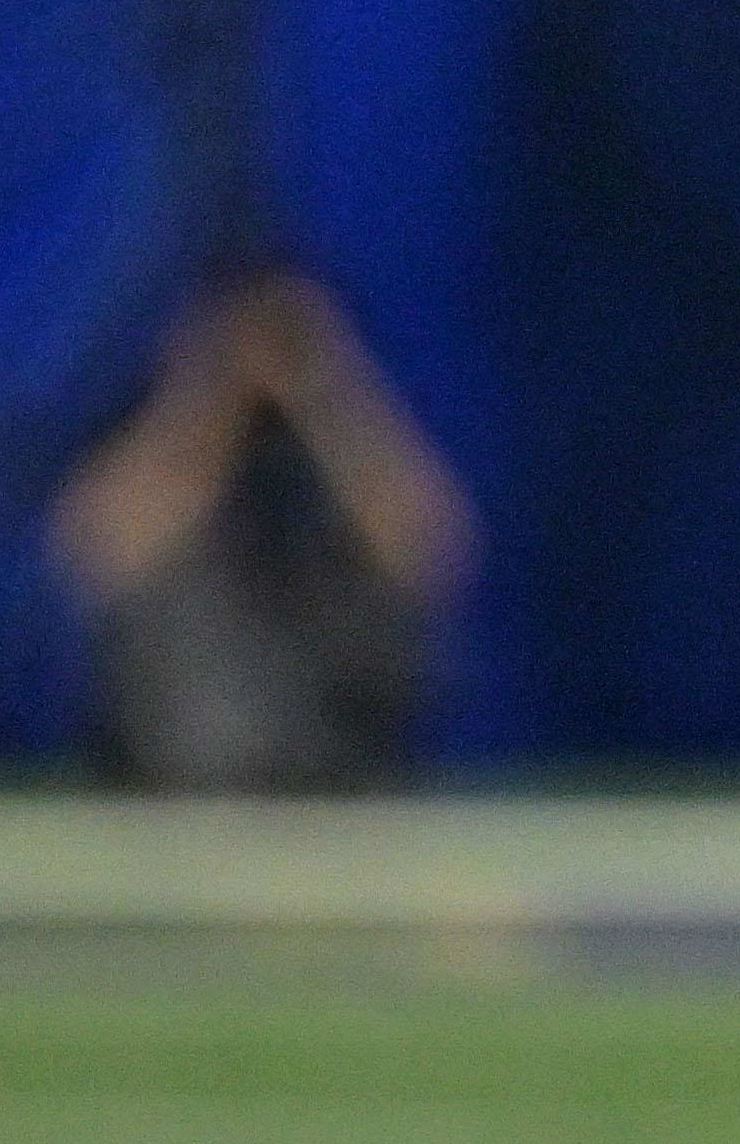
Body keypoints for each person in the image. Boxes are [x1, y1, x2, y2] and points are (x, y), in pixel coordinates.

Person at [48, 266, 473, 791]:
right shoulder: (161, 458)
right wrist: (211, 386)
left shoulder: (345, 471)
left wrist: (323, 383)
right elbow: (98, 544)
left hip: (347, 810)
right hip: (176, 809)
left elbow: (430, 542)